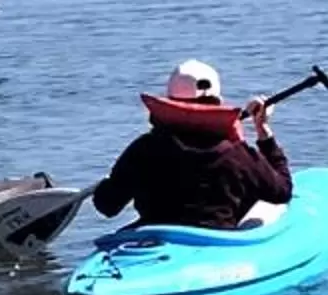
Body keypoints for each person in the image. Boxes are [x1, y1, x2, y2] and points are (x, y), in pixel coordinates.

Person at [88, 59, 292, 232]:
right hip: (215, 243)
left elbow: (106, 205)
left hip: (154, 238)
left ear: (170, 101)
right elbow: (282, 191)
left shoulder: (143, 149)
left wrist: (112, 180)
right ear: (218, 101)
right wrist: (263, 130)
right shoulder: (236, 154)